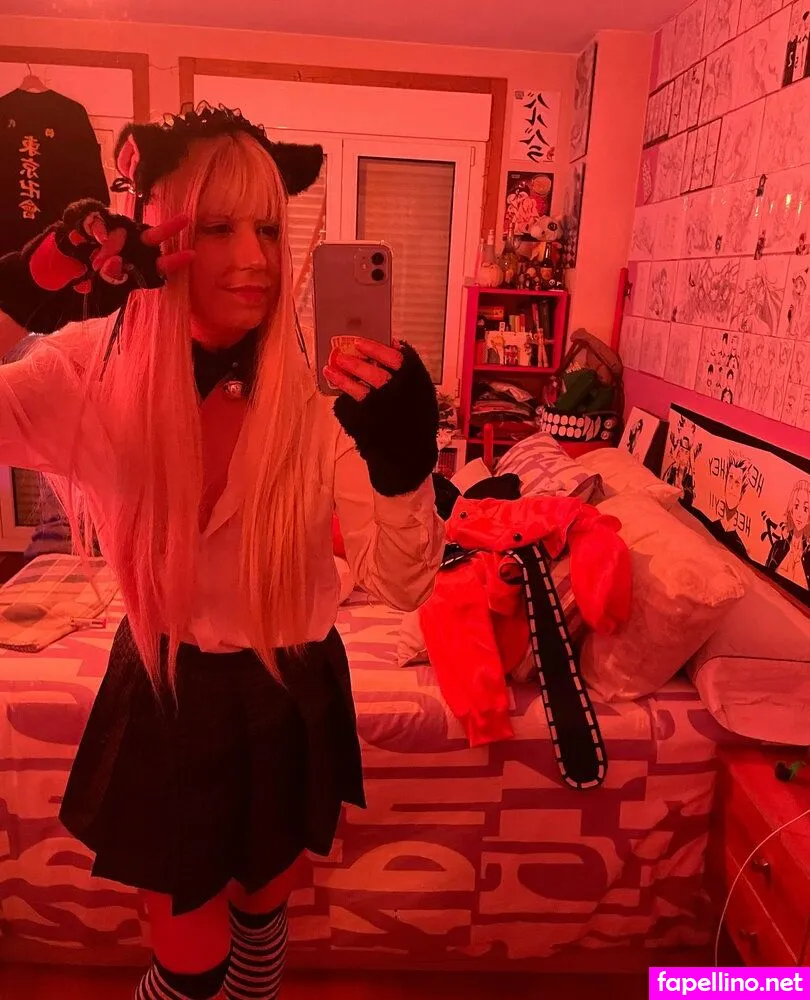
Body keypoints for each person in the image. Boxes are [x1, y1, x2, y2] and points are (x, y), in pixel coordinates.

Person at [0, 104, 445, 1000]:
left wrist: (406, 467)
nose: (253, 258)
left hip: (292, 685)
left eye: (269, 229)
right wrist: (22, 289)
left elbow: (402, 585)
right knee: (188, 967)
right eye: (215, 228)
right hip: (168, 687)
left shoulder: (324, 389)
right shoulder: (92, 368)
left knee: (261, 923)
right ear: (157, 235)